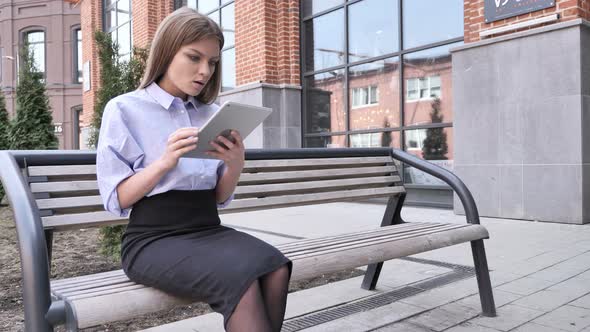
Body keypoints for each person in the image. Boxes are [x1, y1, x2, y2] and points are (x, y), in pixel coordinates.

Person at [96, 7, 291, 332]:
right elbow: (117, 198)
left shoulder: (212, 113)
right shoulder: (124, 109)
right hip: (152, 239)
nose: (205, 71)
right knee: (240, 280)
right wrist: (164, 163)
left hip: (207, 228)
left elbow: (218, 197)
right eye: (194, 58)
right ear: (167, 52)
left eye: (213, 62)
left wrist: (234, 165)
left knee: (276, 268)